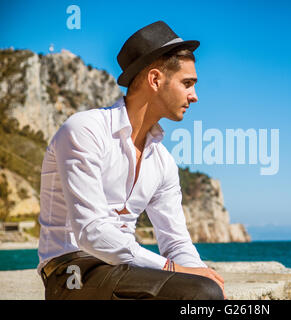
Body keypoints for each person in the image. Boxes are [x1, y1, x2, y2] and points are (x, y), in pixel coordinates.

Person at [37, 20, 226, 300]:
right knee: (200, 294)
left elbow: (175, 241)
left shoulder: (162, 162)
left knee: (208, 289)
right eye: (187, 83)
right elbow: (91, 232)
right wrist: (173, 269)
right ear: (155, 80)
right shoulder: (84, 130)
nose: (194, 96)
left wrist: (200, 272)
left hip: (125, 271)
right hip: (72, 272)